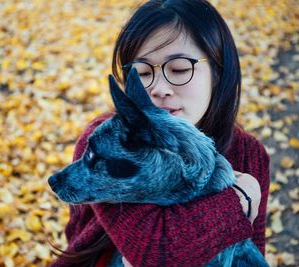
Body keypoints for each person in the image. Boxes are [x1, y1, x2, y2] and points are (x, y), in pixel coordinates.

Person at [51, 0, 270, 266]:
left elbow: (251, 252)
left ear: (218, 71)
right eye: (142, 73)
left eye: (179, 68)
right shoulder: (108, 143)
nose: (159, 88)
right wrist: (238, 202)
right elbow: (157, 253)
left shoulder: (249, 154)